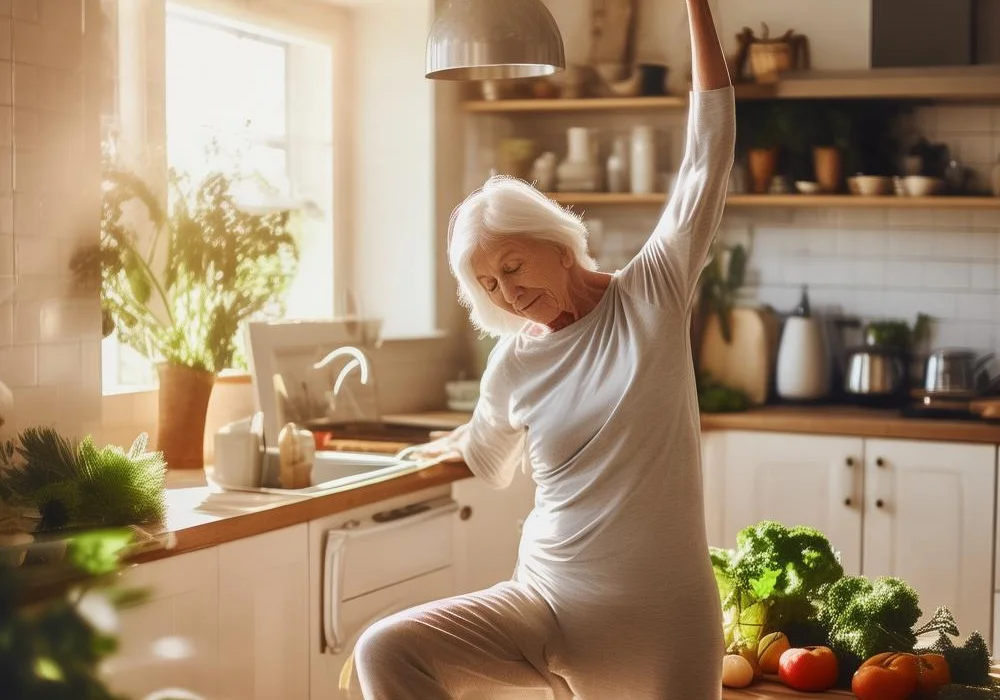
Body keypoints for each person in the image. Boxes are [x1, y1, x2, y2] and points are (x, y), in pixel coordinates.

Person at [354, 0, 735, 697]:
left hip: (666, 616)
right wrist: (421, 452)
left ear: (557, 244)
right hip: (545, 602)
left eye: (513, 266)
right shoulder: (513, 364)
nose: (507, 291)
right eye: (488, 284)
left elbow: (706, 155)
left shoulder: (651, 293)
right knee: (386, 649)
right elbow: (484, 454)